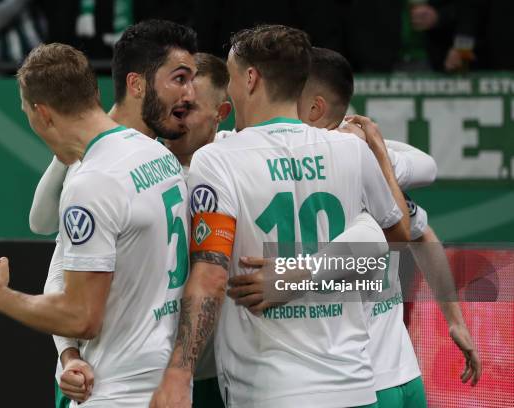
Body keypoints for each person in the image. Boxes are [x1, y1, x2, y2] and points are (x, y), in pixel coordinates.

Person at [150, 25, 411, 408]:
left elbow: (210, 273)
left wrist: (179, 371)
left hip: (271, 390)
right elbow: (396, 239)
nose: (232, 89)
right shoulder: (349, 152)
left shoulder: (219, 159)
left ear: (251, 79)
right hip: (353, 386)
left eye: (233, 76)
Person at [228, 46, 481, 407]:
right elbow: (421, 219)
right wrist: (454, 320)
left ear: (314, 108)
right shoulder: (372, 163)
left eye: (287, 98)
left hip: (355, 383)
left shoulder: (342, 164)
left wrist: (288, 277)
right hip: (401, 376)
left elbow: (395, 239)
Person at [0, 42, 192, 407]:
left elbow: (81, 317)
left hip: (114, 392)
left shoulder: (92, 182)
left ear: (42, 114)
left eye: (26, 112)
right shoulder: (156, 153)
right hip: (166, 383)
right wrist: (70, 357)